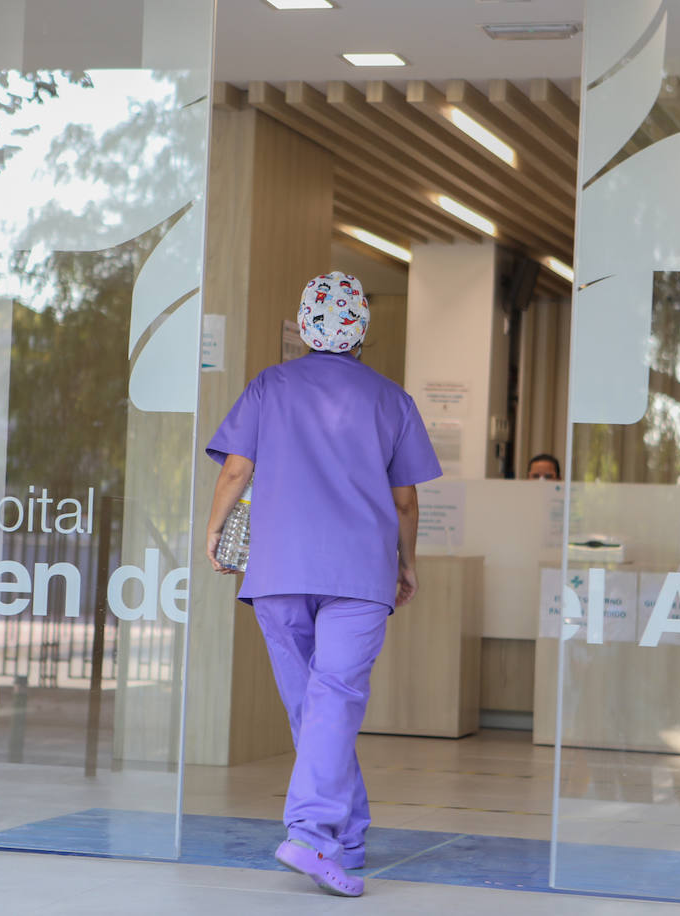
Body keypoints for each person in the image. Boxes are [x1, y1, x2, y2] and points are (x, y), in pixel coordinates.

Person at [204, 271, 441, 897]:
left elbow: (236, 469)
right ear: (361, 328)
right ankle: (312, 835)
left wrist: (213, 530)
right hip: (359, 574)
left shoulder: (269, 387)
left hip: (279, 570)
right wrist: (407, 562)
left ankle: (350, 835)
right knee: (332, 699)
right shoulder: (392, 400)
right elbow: (407, 501)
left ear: (306, 324)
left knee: (312, 705)